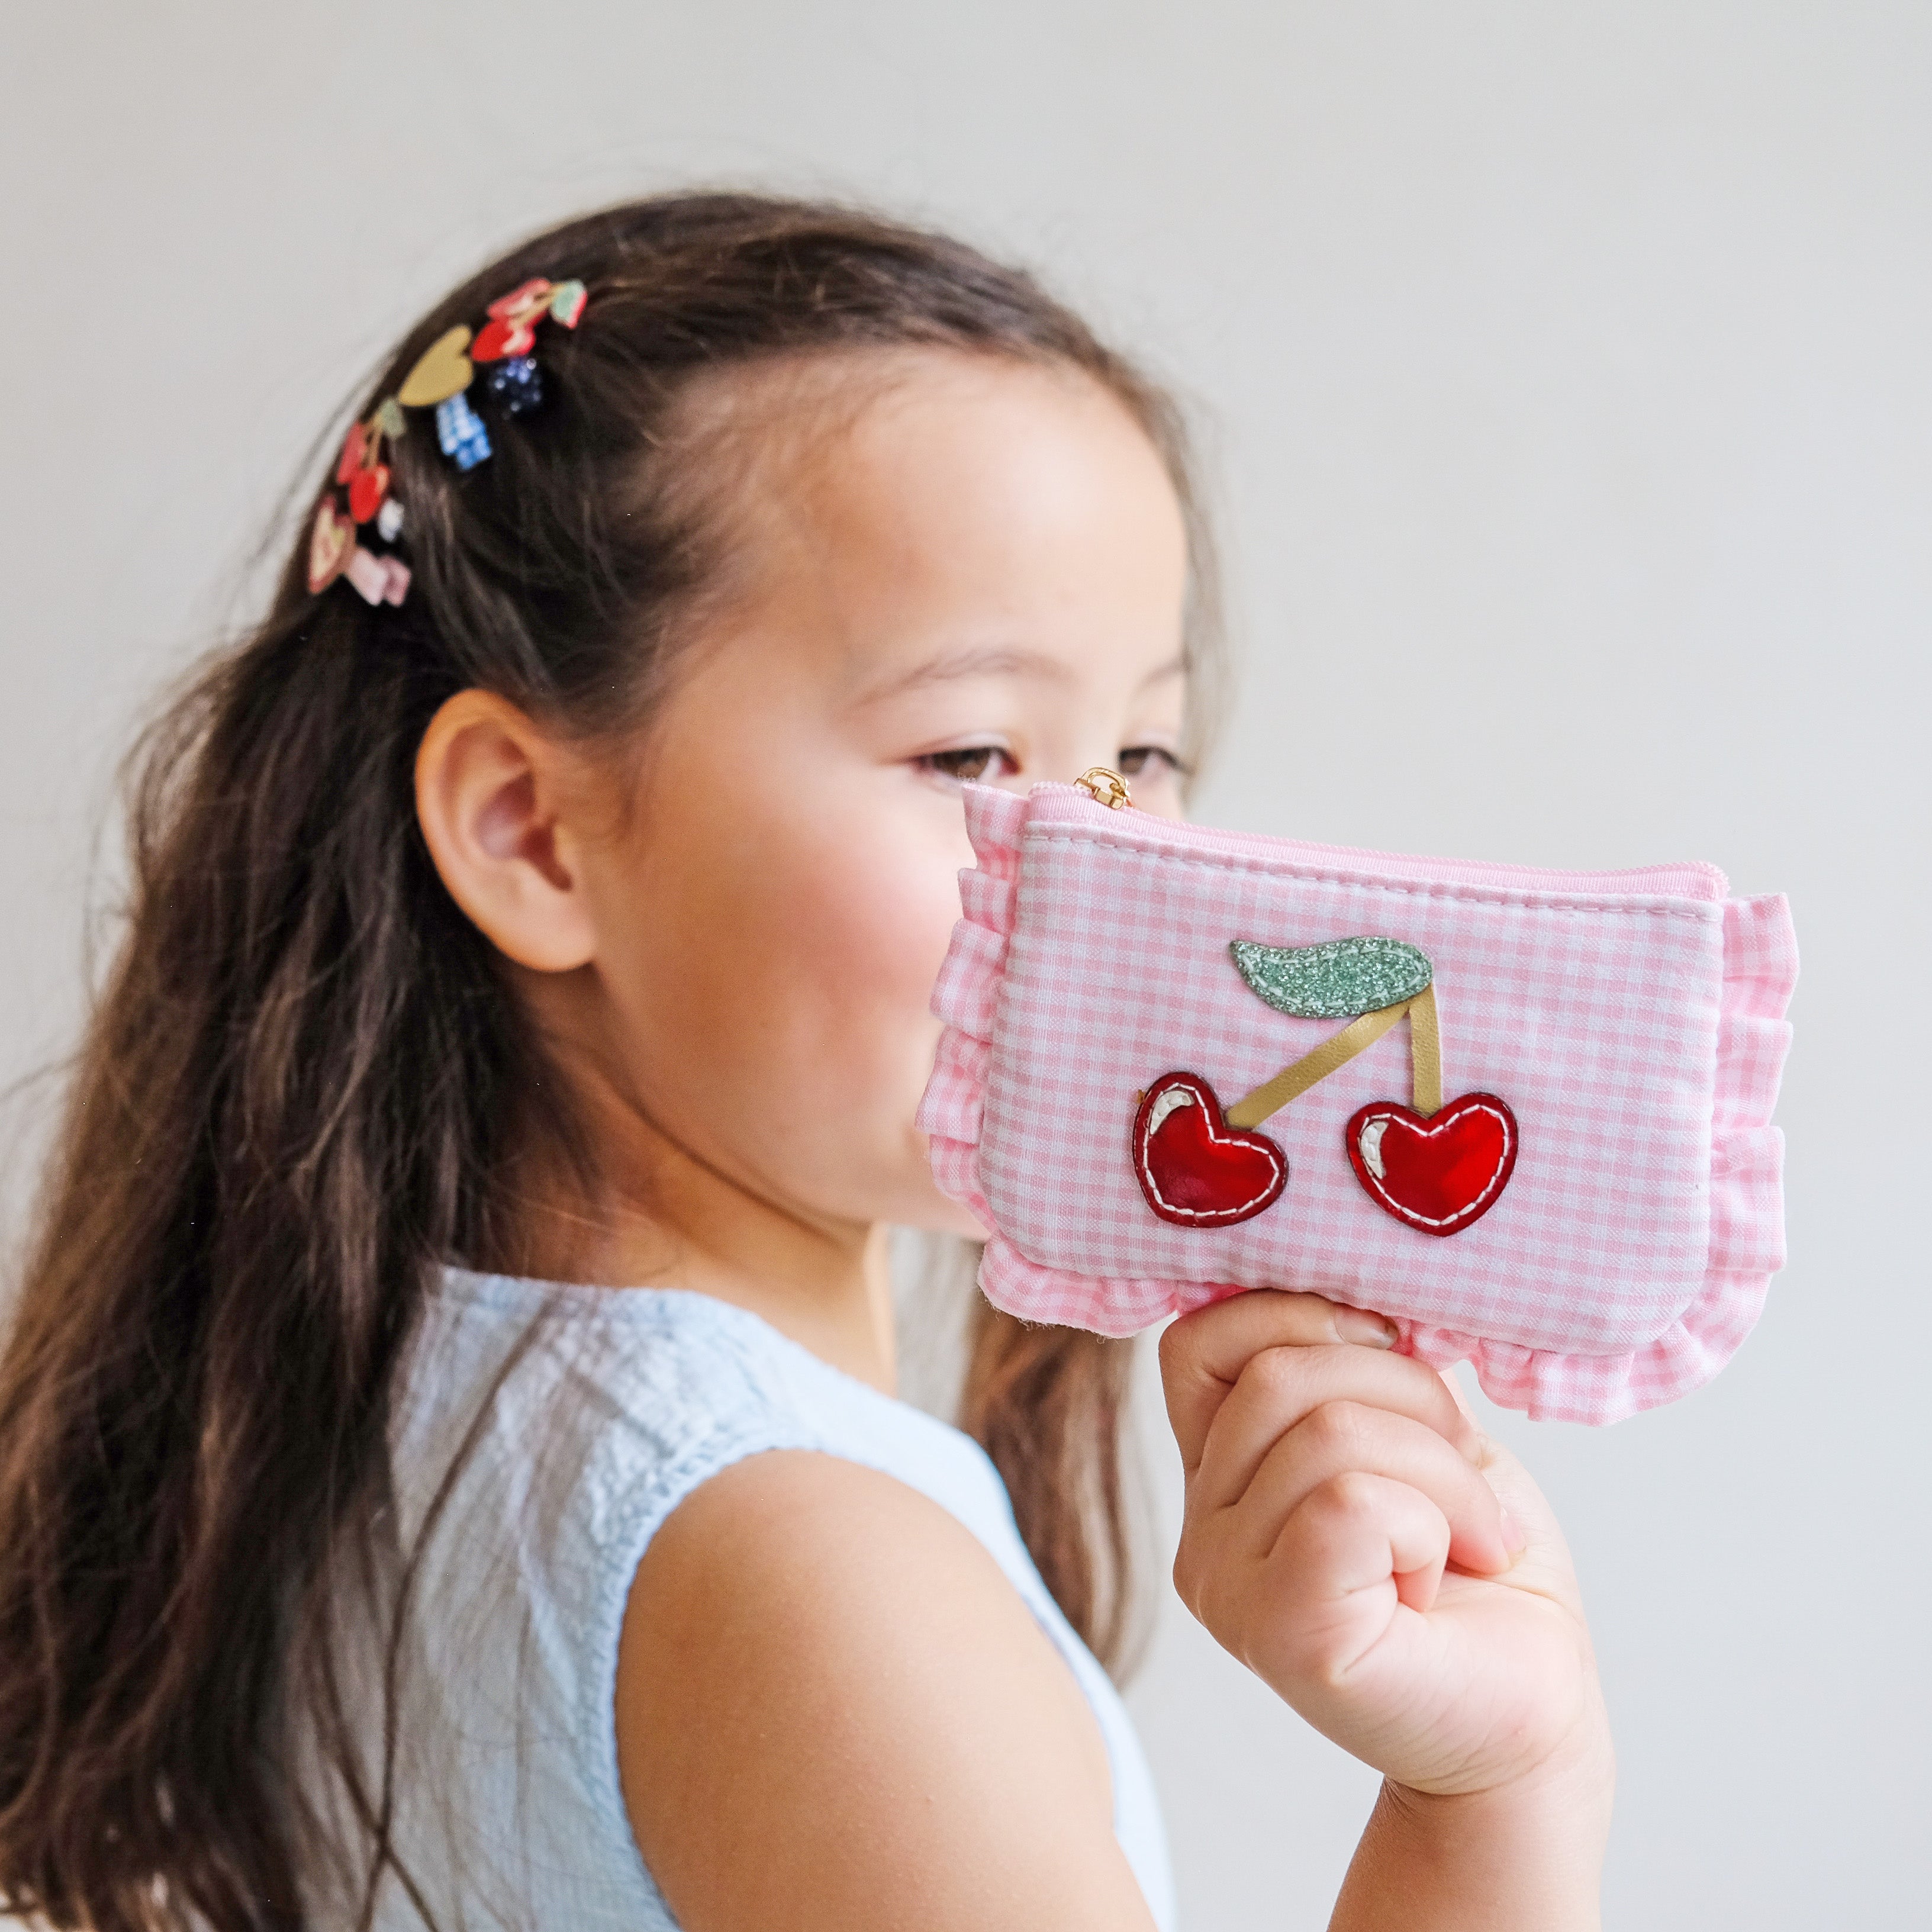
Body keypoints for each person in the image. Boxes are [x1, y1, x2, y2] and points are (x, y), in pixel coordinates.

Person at [0, 194, 1612, 1932]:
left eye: (1141, 752)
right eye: (973, 749)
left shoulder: (336, 1403)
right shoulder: (814, 1575)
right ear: (533, 832)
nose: (1112, 863)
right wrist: (1498, 1799)